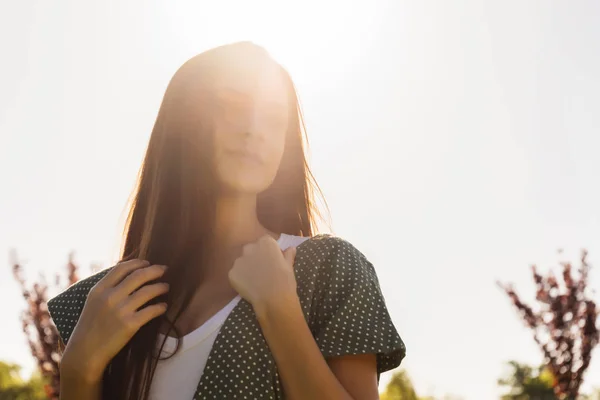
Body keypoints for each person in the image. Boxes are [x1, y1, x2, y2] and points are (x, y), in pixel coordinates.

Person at [47, 41, 406, 400]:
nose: (255, 129)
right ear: (183, 123)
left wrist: (281, 315)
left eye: (273, 117)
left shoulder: (328, 270)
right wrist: (79, 370)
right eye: (232, 107)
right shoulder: (108, 301)